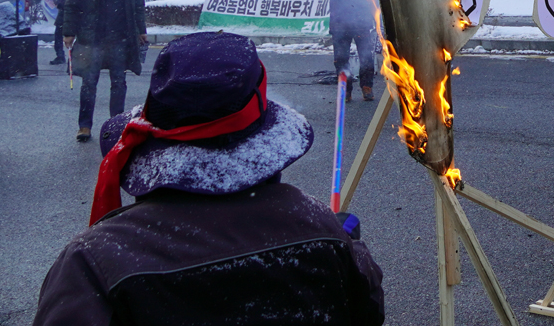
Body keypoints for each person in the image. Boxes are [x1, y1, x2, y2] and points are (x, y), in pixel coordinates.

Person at [33, 32, 385, 325]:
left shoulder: (96, 260)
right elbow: (366, 310)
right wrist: (346, 245)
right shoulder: (318, 227)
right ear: (262, 137)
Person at [62, 0, 146, 142]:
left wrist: (141, 30)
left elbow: (138, 5)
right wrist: (69, 32)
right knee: (89, 84)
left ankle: (116, 124)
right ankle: (84, 126)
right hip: (92, 40)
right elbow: (71, 5)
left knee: (119, 83)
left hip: (120, 39)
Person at [316, 0, 381, 102]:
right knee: (341, 59)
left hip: (362, 23)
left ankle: (367, 86)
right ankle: (345, 90)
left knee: (366, 57)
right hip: (339, 24)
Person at [47, 0, 82, 67]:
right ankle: (60, 55)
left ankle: (78, 57)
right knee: (58, 32)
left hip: (73, 8)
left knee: (77, 33)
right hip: (62, 8)